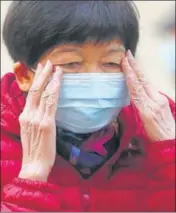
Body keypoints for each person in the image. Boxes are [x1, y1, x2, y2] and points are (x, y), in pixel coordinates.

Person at [1, 1, 175, 212]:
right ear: (25, 76)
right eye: (70, 63)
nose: (94, 77)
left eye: (111, 63)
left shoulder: (158, 131)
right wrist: (32, 176)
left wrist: (169, 155)